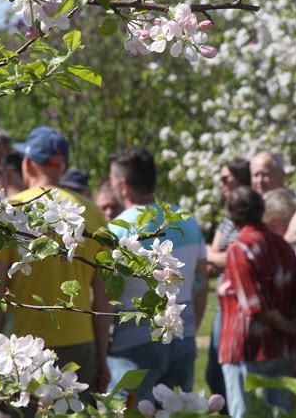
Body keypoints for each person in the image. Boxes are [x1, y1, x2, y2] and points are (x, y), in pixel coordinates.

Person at [0, 127, 111, 402]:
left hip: (23, 351)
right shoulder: (93, 213)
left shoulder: (8, 212)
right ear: (61, 166)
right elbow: (102, 298)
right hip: (80, 345)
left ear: (27, 163)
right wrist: (102, 360)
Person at [107, 147, 208, 401]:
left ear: (123, 185)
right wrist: (191, 327)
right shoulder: (187, 220)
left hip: (133, 345)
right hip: (181, 336)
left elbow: (104, 293)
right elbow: (201, 281)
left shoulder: (117, 229)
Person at [218, 186, 296, 418]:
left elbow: (255, 308)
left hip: (246, 351)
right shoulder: (282, 245)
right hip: (280, 351)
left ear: (231, 216)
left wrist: (291, 329)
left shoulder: (239, 248)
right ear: (262, 210)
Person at [205, 158, 250, 415]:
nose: (222, 183)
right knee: (215, 370)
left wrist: (217, 256)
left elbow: (236, 255)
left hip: (239, 302)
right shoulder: (228, 217)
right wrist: (217, 256)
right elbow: (213, 253)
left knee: (230, 369)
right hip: (223, 302)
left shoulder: (250, 213)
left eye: (226, 178)